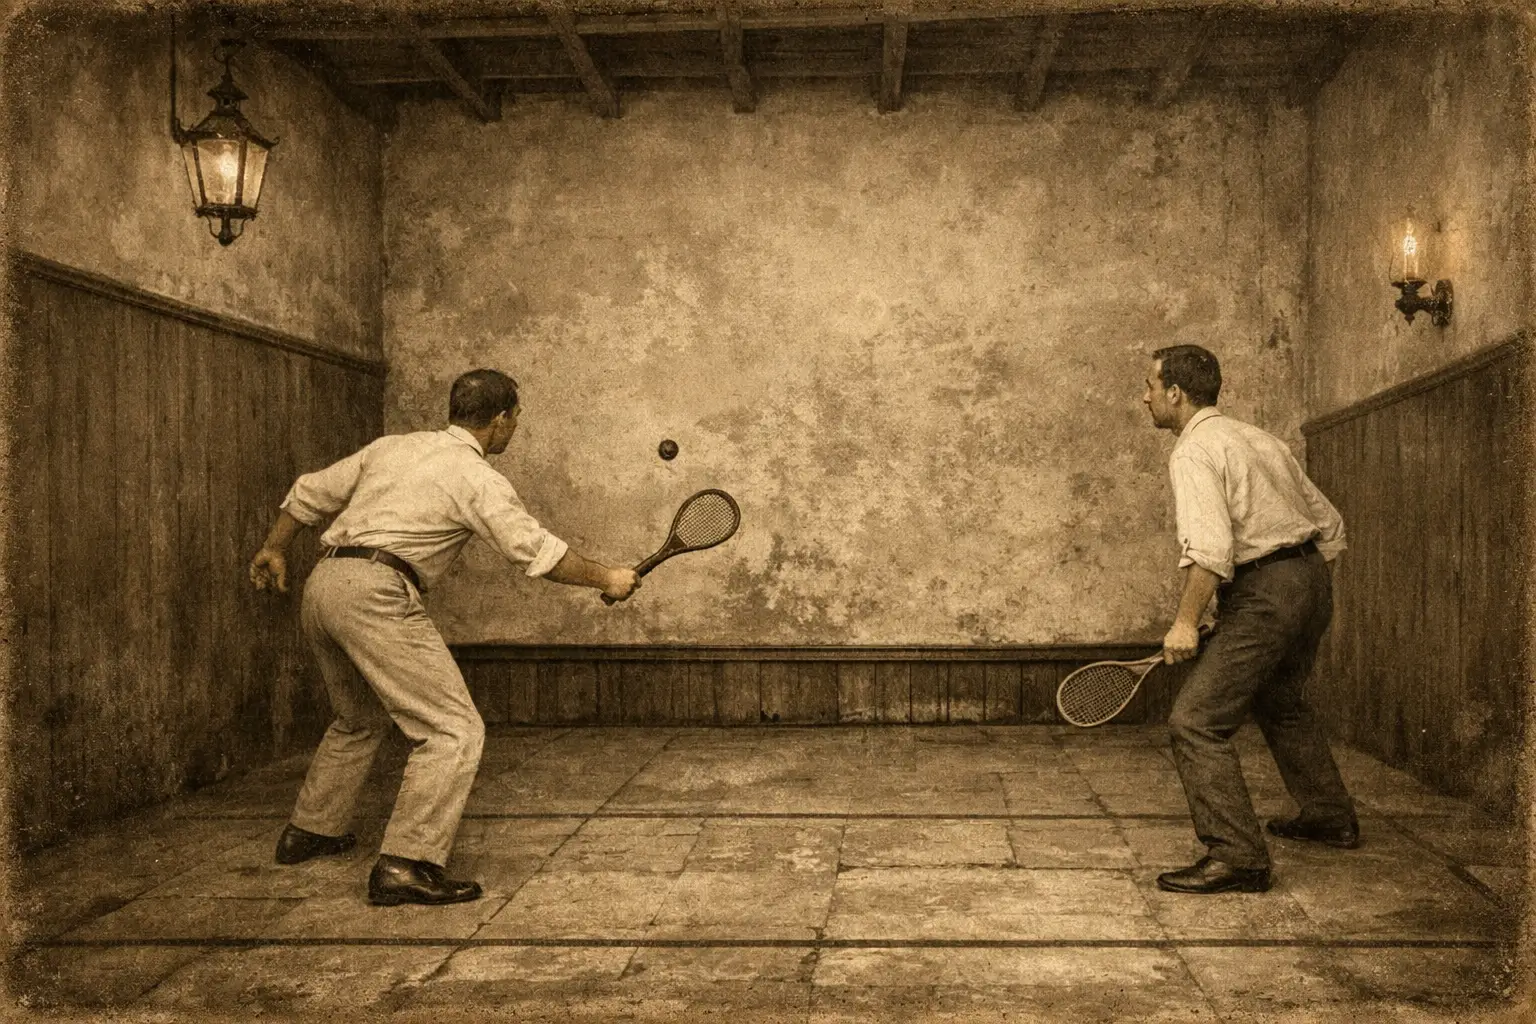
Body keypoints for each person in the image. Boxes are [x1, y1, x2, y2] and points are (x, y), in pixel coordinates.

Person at [248, 368, 640, 906]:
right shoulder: (476, 477)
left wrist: (273, 548)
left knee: (358, 718)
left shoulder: (393, 448)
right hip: (376, 592)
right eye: (516, 418)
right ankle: (406, 864)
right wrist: (609, 578)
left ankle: (309, 832)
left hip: (323, 585)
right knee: (453, 731)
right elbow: (537, 552)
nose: (515, 427)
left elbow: (309, 493)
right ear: (500, 421)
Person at [1142, 345, 1358, 895]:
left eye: (1150, 386)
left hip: (1269, 590)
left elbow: (1211, 551)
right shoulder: (1262, 439)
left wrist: (1187, 623)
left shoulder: (1194, 451)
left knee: (1195, 721)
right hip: (1311, 581)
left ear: (1175, 394)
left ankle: (1238, 856)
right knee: (1281, 700)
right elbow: (1329, 525)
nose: (1144, 397)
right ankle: (1329, 815)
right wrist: (1286, 587)